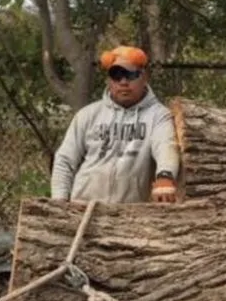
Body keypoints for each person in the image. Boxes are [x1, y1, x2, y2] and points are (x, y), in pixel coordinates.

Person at [49, 46, 180, 204]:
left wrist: (165, 176)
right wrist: (59, 201)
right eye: (116, 75)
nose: (123, 82)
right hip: (82, 207)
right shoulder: (88, 114)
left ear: (144, 77)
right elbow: (65, 160)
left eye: (131, 75)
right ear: (109, 80)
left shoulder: (159, 116)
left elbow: (166, 147)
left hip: (129, 214)